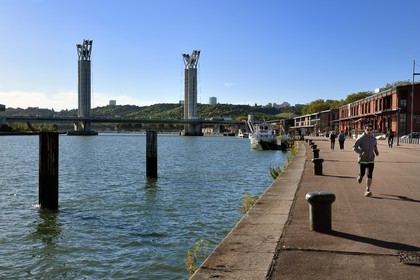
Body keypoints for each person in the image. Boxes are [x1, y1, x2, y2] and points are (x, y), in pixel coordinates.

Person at [353, 124, 379, 197]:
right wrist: (361, 152)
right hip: (363, 159)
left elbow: (374, 146)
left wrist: (376, 151)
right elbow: (354, 147)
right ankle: (360, 176)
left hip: (371, 159)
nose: (369, 131)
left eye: (371, 130)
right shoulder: (361, 138)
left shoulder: (374, 139)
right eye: (368, 130)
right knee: (363, 173)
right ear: (365, 130)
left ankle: (367, 190)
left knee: (370, 174)